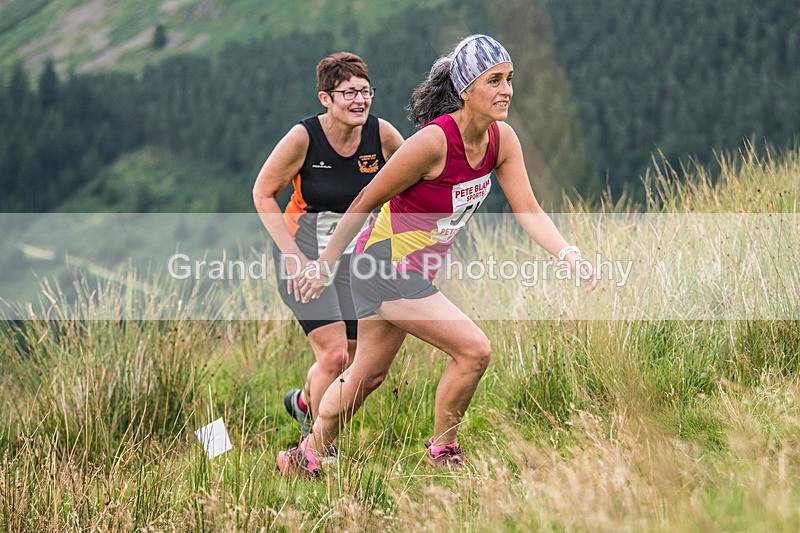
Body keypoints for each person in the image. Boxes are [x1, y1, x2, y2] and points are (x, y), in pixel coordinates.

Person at [275, 35, 597, 477]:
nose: (507, 90)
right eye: (495, 81)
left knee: (367, 375)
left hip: (412, 269)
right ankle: (443, 451)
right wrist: (326, 262)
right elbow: (367, 197)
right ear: (466, 89)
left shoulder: (502, 141)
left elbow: (529, 209)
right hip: (380, 265)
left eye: (510, 79)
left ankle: (304, 456)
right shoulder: (432, 143)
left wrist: (569, 254)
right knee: (474, 350)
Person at [252, 52, 404, 452]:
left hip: (355, 259)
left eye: (365, 91)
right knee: (336, 355)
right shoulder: (304, 138)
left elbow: (412, 182)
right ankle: (319, 450)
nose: (360, 100)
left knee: (355, 360)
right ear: (325, 99)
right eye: (348, 92)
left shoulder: (382, 135)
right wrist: (293, 258)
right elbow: (263, 193)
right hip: (301, 255)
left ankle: (305, 404)